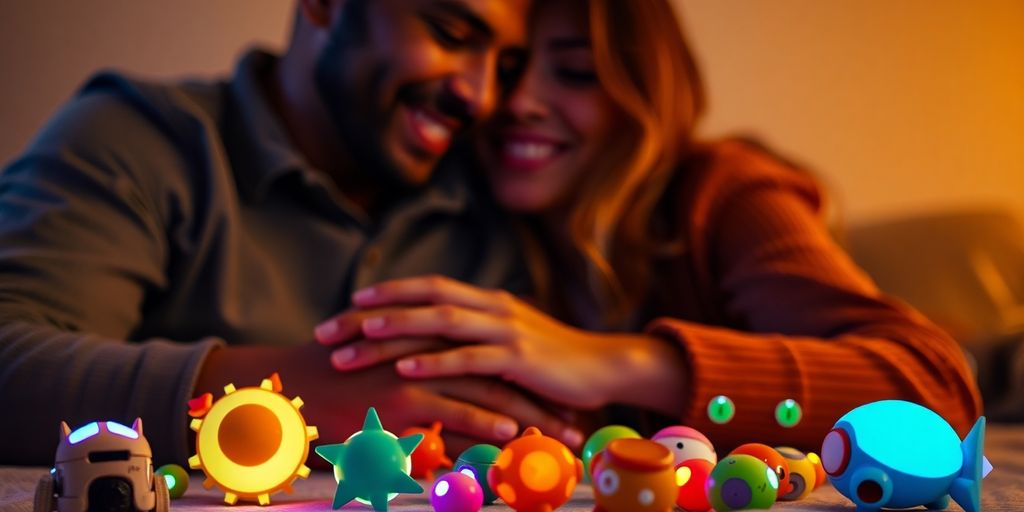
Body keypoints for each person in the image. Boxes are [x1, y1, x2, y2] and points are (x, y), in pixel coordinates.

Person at [315, 0, 983, 452]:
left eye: (576, 73)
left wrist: (621, 362)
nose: (513, 104)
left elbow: (937, 392)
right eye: (509, 71)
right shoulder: (469, 207)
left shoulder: (723, 192)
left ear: (645, 91)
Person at [0, 0, 589, 466]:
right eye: (449, 34)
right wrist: (275, 396)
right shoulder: (137, 141)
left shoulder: (500, 201)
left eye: (504, 67)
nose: (480, 96)